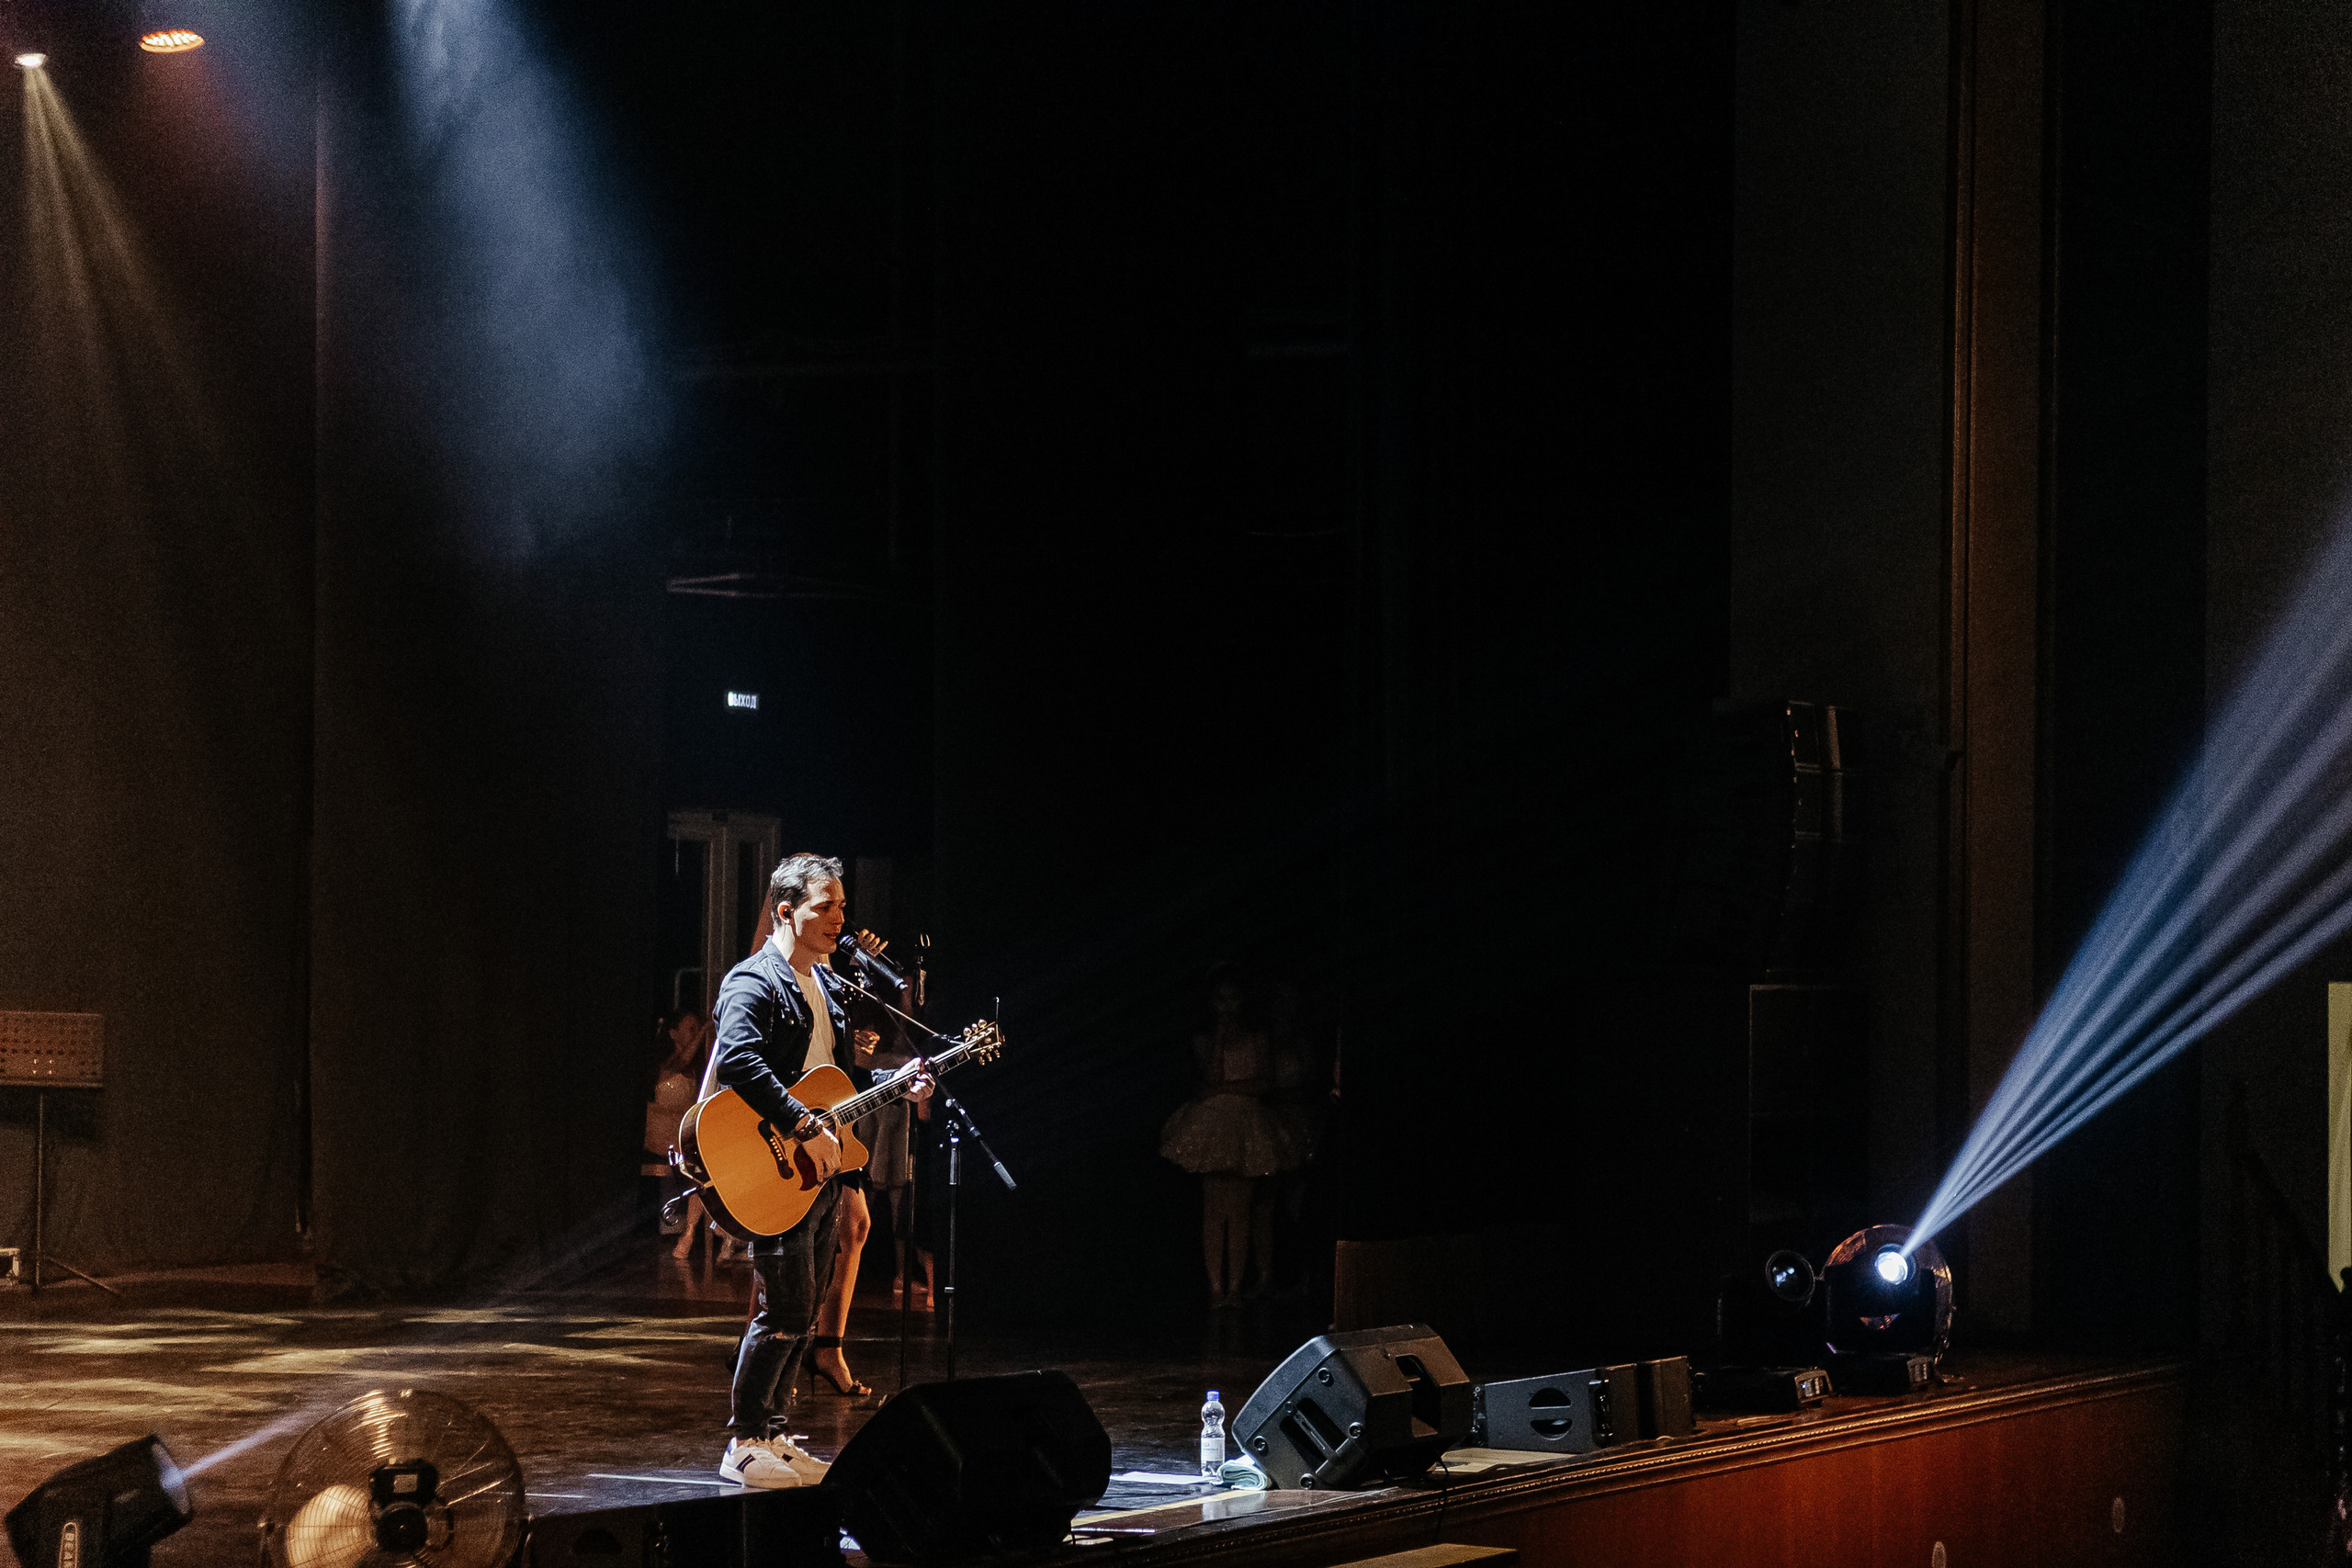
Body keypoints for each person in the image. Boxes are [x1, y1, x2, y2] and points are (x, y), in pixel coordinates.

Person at [705, 852, 930, 1487]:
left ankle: (775, 1431)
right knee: (784, 1308)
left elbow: (840, 1083)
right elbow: (740, 1062)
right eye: (823, 907)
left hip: (820, 1169)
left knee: (804, 1312)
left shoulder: (827, 985)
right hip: (776, 1161)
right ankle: (744, 1439)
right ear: (785, 911)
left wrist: (896, 1082)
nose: (839, 919)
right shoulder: (754, 980)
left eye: (841, 906)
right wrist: (801, 1122)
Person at [1159, 967, 1303, 1307]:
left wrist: (1222, 1089)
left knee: (1239, 1209)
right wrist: (1221, 1039)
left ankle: (1235, 1288)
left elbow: (1264, 1081)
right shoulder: (1205, 1039)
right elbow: (1209, 1073)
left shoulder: (1257, 1037)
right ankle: (1215, 1289)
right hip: (1213, 1120)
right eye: (1220, 999)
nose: (1226, 1006)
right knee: (1213, 1207)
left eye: (1233, 998)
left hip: (1246, 1119)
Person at [646, 1009, 714, 1262]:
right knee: (693, 1163)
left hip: (681, 1136)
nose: (695, 1034)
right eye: (691, 1029)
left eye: (697, 1029)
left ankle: (693, 1232)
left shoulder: (694, 1067)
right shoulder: (666, 1064)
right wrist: (707, 1029)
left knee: (701, 1167)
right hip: (662, 1137)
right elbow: (682, 1061)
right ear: (673, 1034)